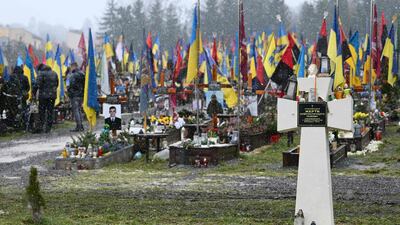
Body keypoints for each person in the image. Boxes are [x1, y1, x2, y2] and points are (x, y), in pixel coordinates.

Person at [33, 64, 58, 133]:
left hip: (43, 96)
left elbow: (37, 84)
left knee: (42, 111)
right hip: (52, 96)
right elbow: (57, 84)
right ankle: (48, 127)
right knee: (50, 111)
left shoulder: (41, 73)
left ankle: (42, 125)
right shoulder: (54, 73)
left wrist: (33, 93)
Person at [67, 62, 85, 132]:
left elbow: (71, 85)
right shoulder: (82, 74)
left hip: (75, 95)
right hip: (81, 94)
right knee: (79, 110)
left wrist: (69, 91)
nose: (70, 69)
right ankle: (81, 125)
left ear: (73, 67)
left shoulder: (73, 75)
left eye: (71, 67)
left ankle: (79, 126)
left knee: (76, 110)